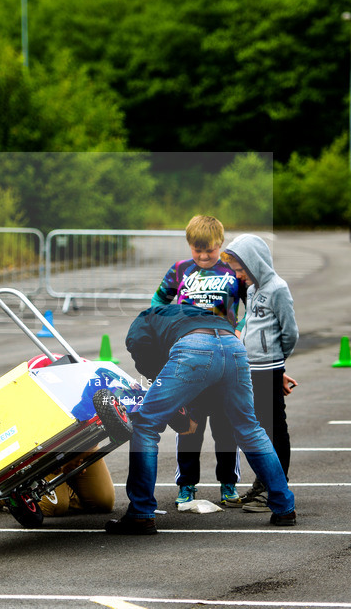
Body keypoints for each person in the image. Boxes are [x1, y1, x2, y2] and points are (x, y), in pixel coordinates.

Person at [105, 304, 296, 535]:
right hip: (234, 345)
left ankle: (140, 513)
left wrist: (158, 382)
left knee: (145, 425)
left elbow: (140, 348)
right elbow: (210, 374)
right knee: (249, 428)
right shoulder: (195, 312)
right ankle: (285, 508)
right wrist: (189, 409)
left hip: (194, 347)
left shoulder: (146, 317)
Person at [151, 215, 246, 506]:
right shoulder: (179, 270)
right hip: (190, 359)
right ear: (189, 246)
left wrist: (240, 329)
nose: (204, 256)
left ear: (221, 244)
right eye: (197, 250)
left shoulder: (232, 271)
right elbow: (157, 303)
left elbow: (253, 305)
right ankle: (187, 484)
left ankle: (228, 483)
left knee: (226, 425)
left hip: (226, 358)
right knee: (190, 425)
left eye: (211, 250)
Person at [220, 234, 298, 512]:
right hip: (250, 369)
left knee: (274, 428)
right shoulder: (252, 290)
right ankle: (263, 481)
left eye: (241, 269)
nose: (238, 275)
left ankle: (278, 486)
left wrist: (277, 363)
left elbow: (290, 332)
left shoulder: (278, 288)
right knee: (257, 429)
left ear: (255, 263)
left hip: (269, 369)